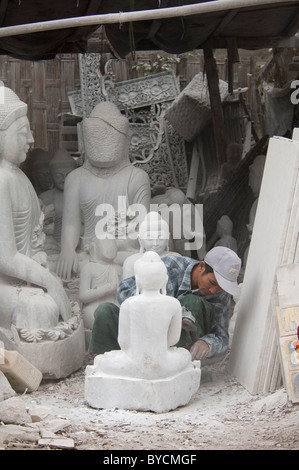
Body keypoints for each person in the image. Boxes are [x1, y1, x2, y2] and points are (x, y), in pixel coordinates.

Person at [89, 246, 241, 361]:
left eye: (220, 287)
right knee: (105, 311)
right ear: (202, 267)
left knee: (191, 302)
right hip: (142, 330)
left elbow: (222, 337)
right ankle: (104, 365)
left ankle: (172, 364)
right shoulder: (172, 266)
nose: (214, 290)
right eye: (212, 282)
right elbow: (124, 289)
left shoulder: (221, 293)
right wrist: (149, 303)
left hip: (172, 347)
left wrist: (207, 343)